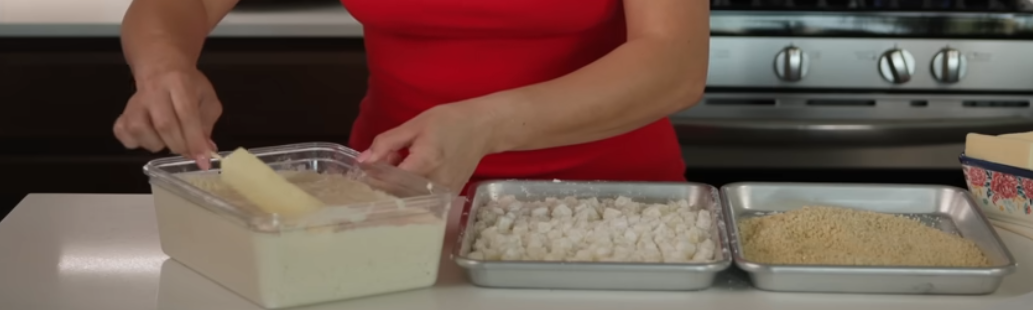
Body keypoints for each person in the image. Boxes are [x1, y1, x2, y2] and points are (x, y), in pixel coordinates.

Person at [113, 0, 710, 193]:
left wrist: (487, 125)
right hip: (392, 201)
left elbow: (674, 62)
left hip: (612, 210)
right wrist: (164, 65)